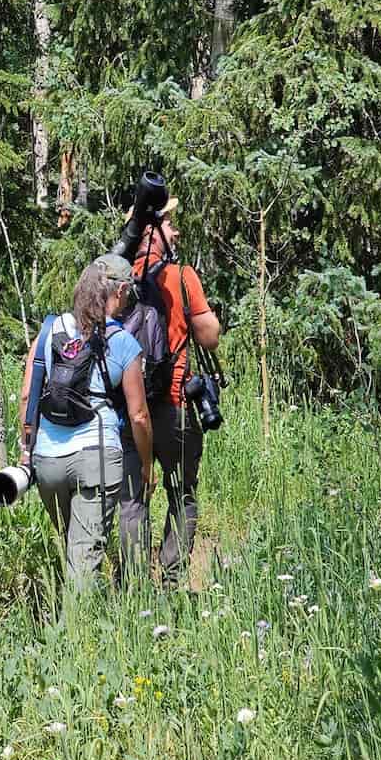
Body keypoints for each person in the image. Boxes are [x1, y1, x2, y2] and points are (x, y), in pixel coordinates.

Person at [17, 254, 153, 589]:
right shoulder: (123, 342)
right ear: (120, 291)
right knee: (83, 559)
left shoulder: (50, 329)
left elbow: (27, 395)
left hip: (47, 460)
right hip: (97, 458)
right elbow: (138, 415)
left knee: (73, 546)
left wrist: (27, 449)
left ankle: (70, 610)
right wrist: (147, 464)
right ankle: (76, 622)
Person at [119, 199, 221, 587]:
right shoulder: (181, 276)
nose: (175, 232)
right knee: (182, 493)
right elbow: (209, 338)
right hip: (175, 404)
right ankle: (171, 579)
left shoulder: (118, 277)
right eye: (170, 224)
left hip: (130, 408)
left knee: (133, 497)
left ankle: (133, 585)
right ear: (152, 231)